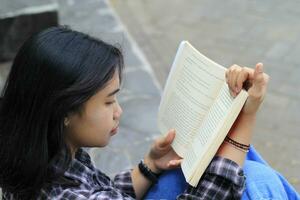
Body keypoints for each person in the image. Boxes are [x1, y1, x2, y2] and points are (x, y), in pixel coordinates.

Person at [0, 26, 269, 200]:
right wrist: (247, 114)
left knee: (232, 164)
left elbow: (102, 190)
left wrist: (150, 164)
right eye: (108, 102)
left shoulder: (42, 154)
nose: (119, 112)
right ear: (64, 111)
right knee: (256, 180)